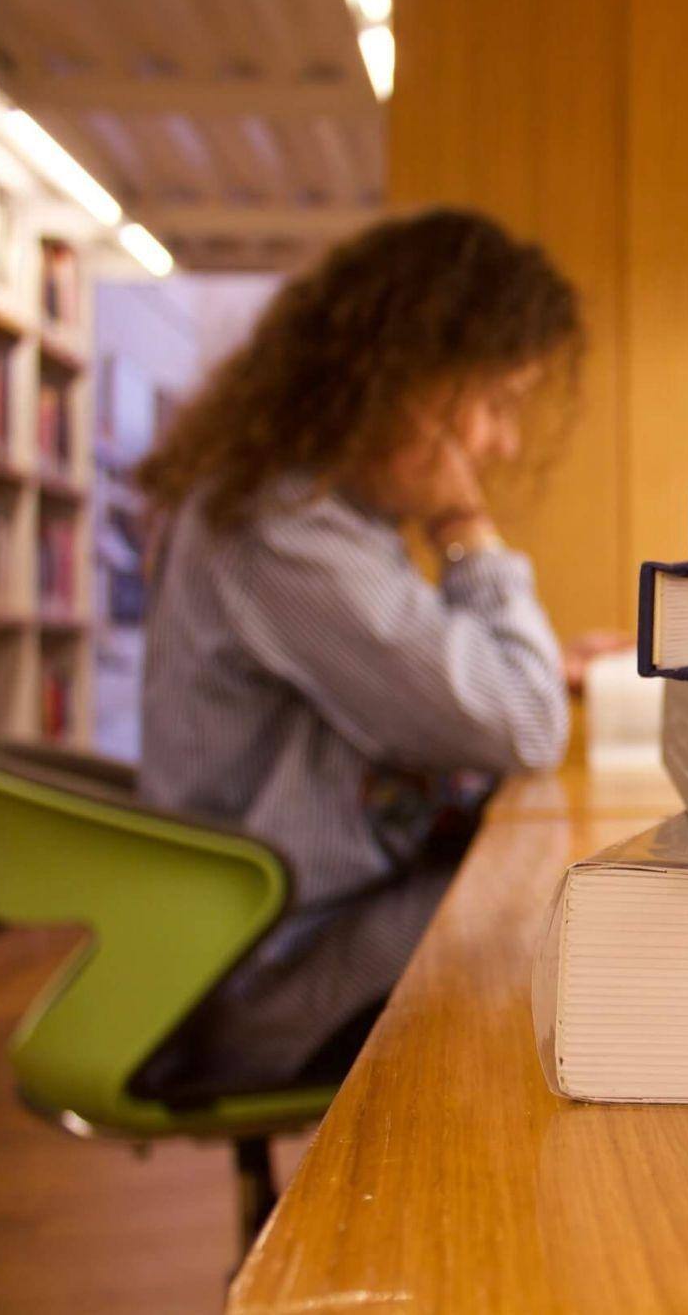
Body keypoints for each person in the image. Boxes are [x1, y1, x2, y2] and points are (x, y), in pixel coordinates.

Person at [131, 208, 585, 1098]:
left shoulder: (320, 517)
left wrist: (538, 661)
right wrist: (466, 530)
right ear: (405, 381)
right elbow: (524, 722)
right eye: (495, 404)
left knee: (556, 905)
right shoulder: (282, 529)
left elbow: (459, 690)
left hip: (300, 935)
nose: (503, 443)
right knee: (558, 922)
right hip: (266, 983)